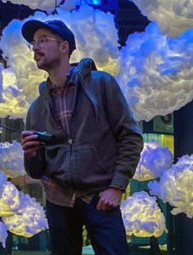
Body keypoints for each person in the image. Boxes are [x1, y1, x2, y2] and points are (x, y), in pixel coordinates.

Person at [21, 19, 143, 255]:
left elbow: (130, 137)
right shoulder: (36, 108)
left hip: (100, 197)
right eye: (33, 43)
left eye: (43, 40)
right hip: (59, 202)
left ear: (64, 46)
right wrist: (31, 155)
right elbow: (35, 171)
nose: (35, 47)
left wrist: (117, 187)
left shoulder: (101, 84)